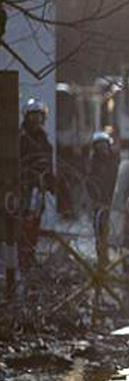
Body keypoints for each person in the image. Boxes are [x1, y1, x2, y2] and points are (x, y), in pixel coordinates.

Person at [18, 99, 55, 268]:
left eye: (40, 116)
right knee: (25, 220)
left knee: (36, 221)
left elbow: (47, 162)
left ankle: (30, 253)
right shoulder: (21, 137)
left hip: (39, 186)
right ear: (27, 117)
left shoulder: (44, 138)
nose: (37, 120)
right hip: (25, 186)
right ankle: (23, 255)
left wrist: (50, 182)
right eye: (33, 116)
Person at [85, 132, 119, 212]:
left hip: (113, 197)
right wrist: (94, 198)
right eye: (99, 145)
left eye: (104, 144)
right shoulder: (92, 162)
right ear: (95, 147)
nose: (102, 147)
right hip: (98, 199)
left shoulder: (114, 160)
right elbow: (89, 181)